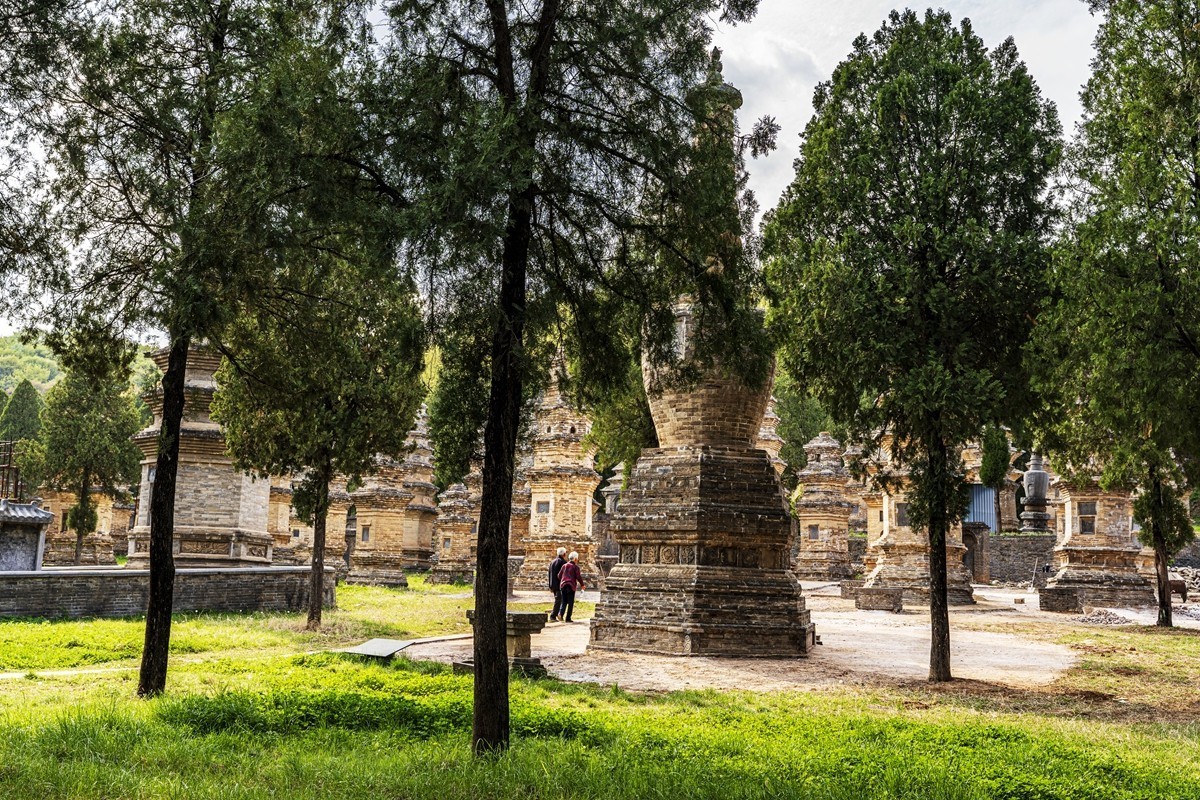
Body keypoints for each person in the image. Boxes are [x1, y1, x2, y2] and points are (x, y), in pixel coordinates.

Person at [558, 551, 584, 622]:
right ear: (575, 559)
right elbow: (578, 577)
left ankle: (560, 613)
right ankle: (568, 618)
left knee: (564, 601)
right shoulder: (575, 567)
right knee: (570, 602)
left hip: (563, 585)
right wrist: (582, 585)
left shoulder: (564, 566)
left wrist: (563, 579)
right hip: (571, 585)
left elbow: (559, 575)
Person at [548, 547, 567, 621]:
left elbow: (549, 574)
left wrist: (550, 584)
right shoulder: (563, 563)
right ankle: (553, 616)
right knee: (559, 600)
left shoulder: (553, 562)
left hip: (553, 584)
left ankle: (557, 615)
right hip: (559, 585)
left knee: (558, 600)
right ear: (564, 554)